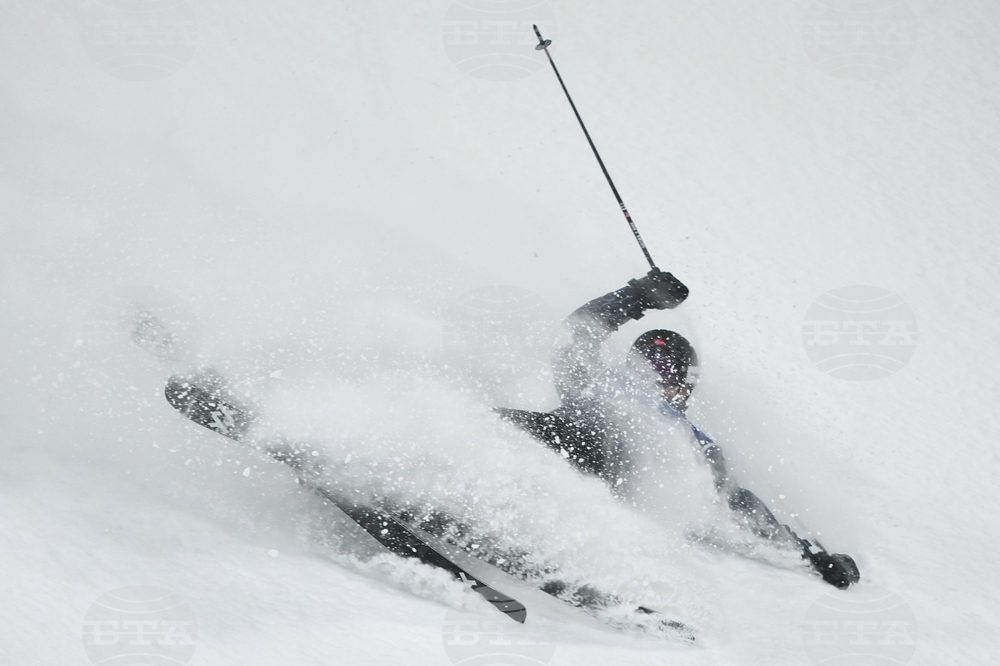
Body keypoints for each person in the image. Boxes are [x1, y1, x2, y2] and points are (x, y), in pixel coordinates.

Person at [498, 269, 860, 589]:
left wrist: (810, 555)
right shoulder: (600, 385)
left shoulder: (686, 442)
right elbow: (577, 334)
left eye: (667, 373)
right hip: (549, 445)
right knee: (496, 420)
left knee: (605, 446)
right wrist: (638, 296)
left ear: (686, 387)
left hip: (596, 480)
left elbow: (738, 502)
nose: (654, 379)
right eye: (646, 367)